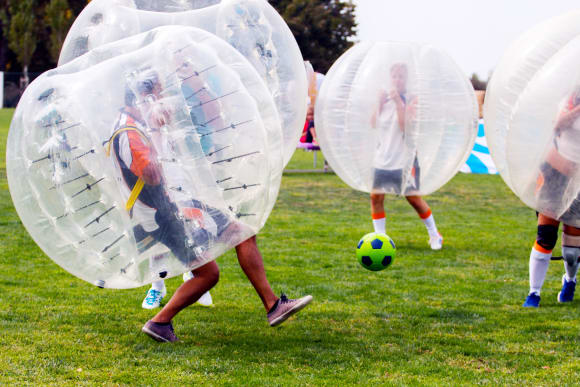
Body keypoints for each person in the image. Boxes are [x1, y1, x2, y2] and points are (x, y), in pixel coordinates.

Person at [114, 69, 312, 342]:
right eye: (157, 93)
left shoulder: (131, 125)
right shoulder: (129, 131)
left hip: (168, 208)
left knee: (240, 233)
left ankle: (273, 305)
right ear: (144, 96)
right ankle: (159, 321)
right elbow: (152, 173)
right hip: (164, 215)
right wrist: (158, 131)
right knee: (208, 273)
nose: (160, 98)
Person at [369, 63, 443, 250]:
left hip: (404, 159)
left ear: (406, 79)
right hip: (383, 157)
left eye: (401, 76)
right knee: (375, 197)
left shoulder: (412, 101)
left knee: (413, 198)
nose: (397, 80)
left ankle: (434, 234)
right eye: (394, 76)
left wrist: (398, 104)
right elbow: (372, 124)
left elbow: (406, 128)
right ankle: (381, 238)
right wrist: (379, 102)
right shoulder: (384, 101)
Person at [523, 88, 580, 307]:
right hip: (556, 172)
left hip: (578, 181)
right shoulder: (570, 98)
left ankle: (570, 280)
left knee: (573, 249)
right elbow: (557, 125)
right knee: (546, 235)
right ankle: (534, 293)